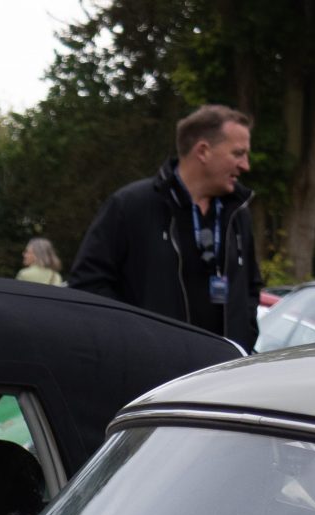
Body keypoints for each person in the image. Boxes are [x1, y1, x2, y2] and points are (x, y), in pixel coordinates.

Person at [70, 104, 260, 346]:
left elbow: (251, 287)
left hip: (225, 365)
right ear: (203, 151)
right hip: (153, 363)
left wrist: (244, 338)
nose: (245, 165)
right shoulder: (131, 205)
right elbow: (87, 284)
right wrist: (132, 339)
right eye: (238, 154)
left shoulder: (238, 213)